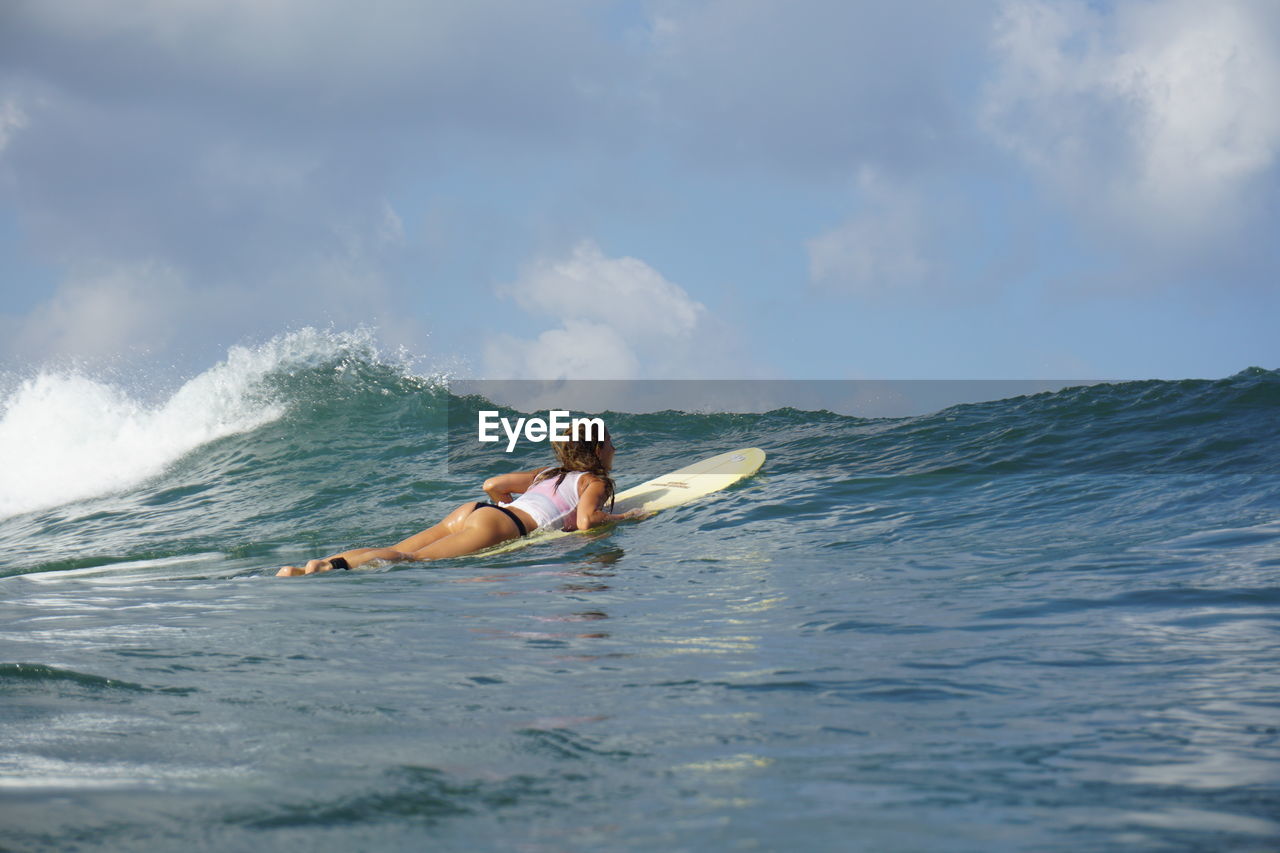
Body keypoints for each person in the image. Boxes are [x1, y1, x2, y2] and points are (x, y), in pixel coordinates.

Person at [276, 429, 638, 576]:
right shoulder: (595, 481)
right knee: (411, 560)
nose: (615, 449)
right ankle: (325, 570)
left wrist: (505, 506)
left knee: (398, 550)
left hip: (476, 512)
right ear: (596, 450)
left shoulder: (547, 473)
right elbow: (589, 522)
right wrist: (626, 517)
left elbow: (492, 483)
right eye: (610, 443)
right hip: (502, 525)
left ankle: (324, 564)